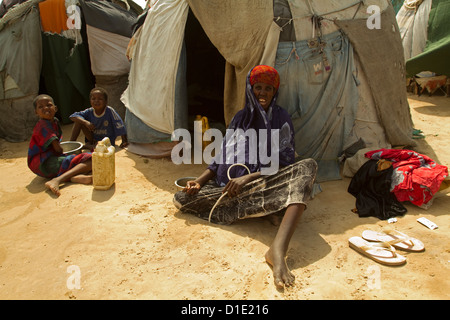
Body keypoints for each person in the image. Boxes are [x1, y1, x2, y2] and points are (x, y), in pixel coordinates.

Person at [173, 65, 318, 288]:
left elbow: (285, 160)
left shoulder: (281, 118)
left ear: (275, 92)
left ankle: (277, 249)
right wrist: (199, 181)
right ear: (250, 89)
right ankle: (261, 210)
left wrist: (247, 178)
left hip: (262, 184)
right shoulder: (240, 118)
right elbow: (219, 158)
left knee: (306, 168)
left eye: (268, 88)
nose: (263, 92)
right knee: (181, 198)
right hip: (230, 190)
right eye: (258, 87)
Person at [28, 94, 93, 197]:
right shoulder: (43, 126)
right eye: (40, 107)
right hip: (43, 163)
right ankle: (57, 180)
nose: (45, 108)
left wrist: (83, 147)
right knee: (91, 159)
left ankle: (73, 177)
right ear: (36, 112)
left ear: (55, 108)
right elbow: (58, 149)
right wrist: (78, 151)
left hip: (47, 159)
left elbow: (57, 145)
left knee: (79, 160)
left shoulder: (55, 122)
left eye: (49, 105)